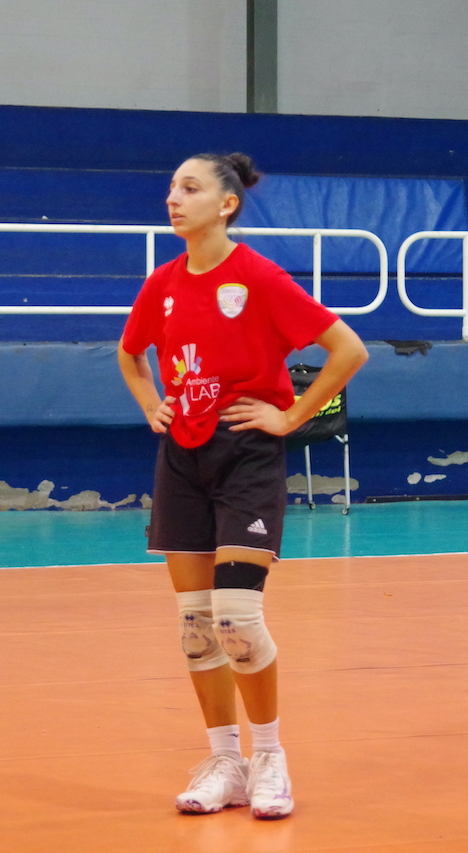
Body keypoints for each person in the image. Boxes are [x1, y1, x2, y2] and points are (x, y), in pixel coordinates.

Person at [118, 153, 368, 820]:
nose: (173, 199)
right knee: (196, 626)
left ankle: (270, 756)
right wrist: (150, 403)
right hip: (182, 458)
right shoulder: (162, 283)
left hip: (247, 456)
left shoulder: (257, 276)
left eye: (190, 188)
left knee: (236, 617)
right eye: (171, 187)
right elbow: (130, 352)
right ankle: (224, 760)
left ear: (226, 204)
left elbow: (348, 349)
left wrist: (292, 415)